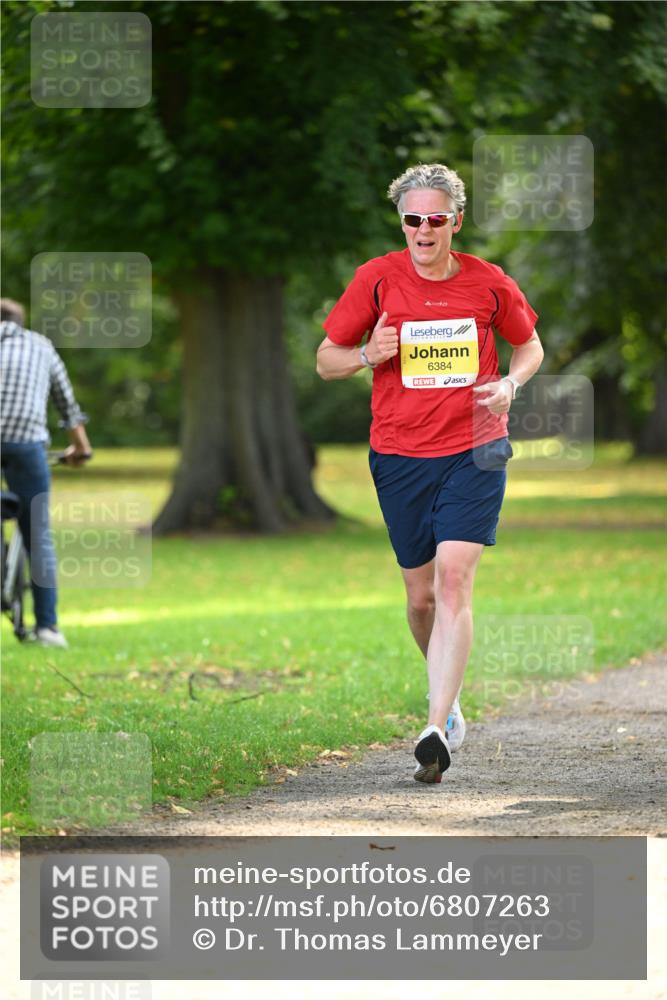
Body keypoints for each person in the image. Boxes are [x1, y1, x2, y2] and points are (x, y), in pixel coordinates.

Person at [316, 163, 544, 783]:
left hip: (476, 447)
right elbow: (326, 359)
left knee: (453, 580)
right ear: (403, 223)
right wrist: (368, 354)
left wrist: (509, 384)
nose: (423, 229)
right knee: (420, 598)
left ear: (455, 222)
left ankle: (435, 725)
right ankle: (450, 699)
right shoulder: (377, 279)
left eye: (434, 219)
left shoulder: (488, 282)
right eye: (412, 219)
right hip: (399, 454)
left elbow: (529, 346)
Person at [1, 297, 92, 648]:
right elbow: (67, 407)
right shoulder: (41, 346)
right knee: (37, 533)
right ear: (20, 321)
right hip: (27, 444)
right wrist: (80, 449)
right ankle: (48, 629)